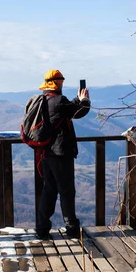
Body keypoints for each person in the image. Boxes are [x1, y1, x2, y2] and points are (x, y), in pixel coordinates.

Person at [34, 69, 91, 240]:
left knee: (49, 190)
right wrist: (85, 100)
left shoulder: (44, 99)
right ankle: (72, 228)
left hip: (45, 153)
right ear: (58, 83)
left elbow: (67, 108)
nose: (62, 85)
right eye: (61, 82)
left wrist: (78, 100)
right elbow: (79, 111)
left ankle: (42, 228)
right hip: (60, 153)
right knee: (66, 191)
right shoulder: (59, 101)